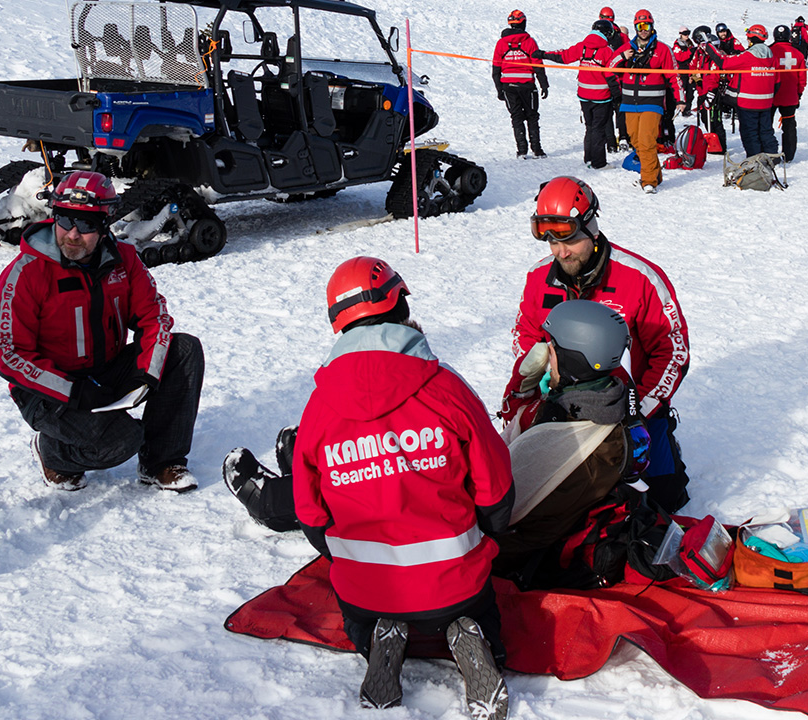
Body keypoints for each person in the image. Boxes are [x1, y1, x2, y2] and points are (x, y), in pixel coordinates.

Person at [292, 258, 514, 718]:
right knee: (485, 615)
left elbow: (310, 514)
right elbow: (496, 487)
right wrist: (489, 534)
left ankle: (378, 638)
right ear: (401, 304)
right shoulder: (444, 386)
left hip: (363, 592)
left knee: (363, 619)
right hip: (457, 584)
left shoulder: (318, 405)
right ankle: (473, 637)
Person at [0, 170, 205, 492]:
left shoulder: (125, 260)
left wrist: (146, 373)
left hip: (104, 370)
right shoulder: (25, 273)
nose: (73, 234)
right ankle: (53, 453)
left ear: (105, 226)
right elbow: (8, 354)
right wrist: (71, 391)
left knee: (183, 349)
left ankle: (161, 462)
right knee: (120, 441)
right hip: (47, 390)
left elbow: (153, 318)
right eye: (65, 221)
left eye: (87, 225)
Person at [503, 178, 691, 510]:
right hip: (564, 407)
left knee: (664, 499)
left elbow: (673, 352)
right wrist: (533, 384)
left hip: (631, 408)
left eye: (570, 239)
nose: (561, 252)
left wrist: (641, 411)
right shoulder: (538, 279)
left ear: (590, 228)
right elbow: (526, 335)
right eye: (550, 241)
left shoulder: (639, 279)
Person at [492, 300, 646, 574]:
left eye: (550, 349)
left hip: (516, 557)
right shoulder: (607, 401)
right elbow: (524, 424)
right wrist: (523, 385)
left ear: (569, 358)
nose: (545, 354)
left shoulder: (564, 432)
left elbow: (497, 502)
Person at [545, 13, 626, 169]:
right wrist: (617, 95)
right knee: (598, 129)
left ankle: (588, 158)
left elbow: (564, 56)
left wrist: (542, 54)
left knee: (589, 127)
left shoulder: (582, 46)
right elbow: (611, 75)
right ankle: (599, 163)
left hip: (583, 96)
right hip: (601, 97)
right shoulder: (606, 50)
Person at [616, 9, 676, 193]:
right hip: (629, 102)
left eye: (647, 26)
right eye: (640, 26)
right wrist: (621, 57)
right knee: (636, 141)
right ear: (635, 27)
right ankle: (655, 173)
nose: (643, 30)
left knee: (647, 140)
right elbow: (609, 67)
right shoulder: (627, 47)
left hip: (652, 102)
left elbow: (675, 76)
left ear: (652, 26)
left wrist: (680, 100)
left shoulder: (662, 49)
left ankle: (648, 180)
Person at [491, 8, 549, 159]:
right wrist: (544, 85)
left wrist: (499, 89)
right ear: (523, 23)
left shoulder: (501, 44)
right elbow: (538, 65)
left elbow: (496, 69)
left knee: (516, 118)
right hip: (527, 87)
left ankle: (522, 151)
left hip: (508, 87)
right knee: (532, 117)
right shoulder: (529, 42)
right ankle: (537, 150)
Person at [722, 24, 779, 157]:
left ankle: (755, 160)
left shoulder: (747, 56)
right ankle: (772, 157)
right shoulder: (772, 57)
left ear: (751, 39)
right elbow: (777, 81)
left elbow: (724, 63)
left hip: (747, 103)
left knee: (750, 133)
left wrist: (707, 46)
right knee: (766, 131)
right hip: (766, 103)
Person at [770, 24, 807, 161]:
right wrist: (799, 93)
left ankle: (770, 152)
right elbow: (802, 78)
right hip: (790, 96)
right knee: (789, 125)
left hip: (771, 95)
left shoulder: (769, 51)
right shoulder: (798, 54)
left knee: (767, 125)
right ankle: (789, 155)